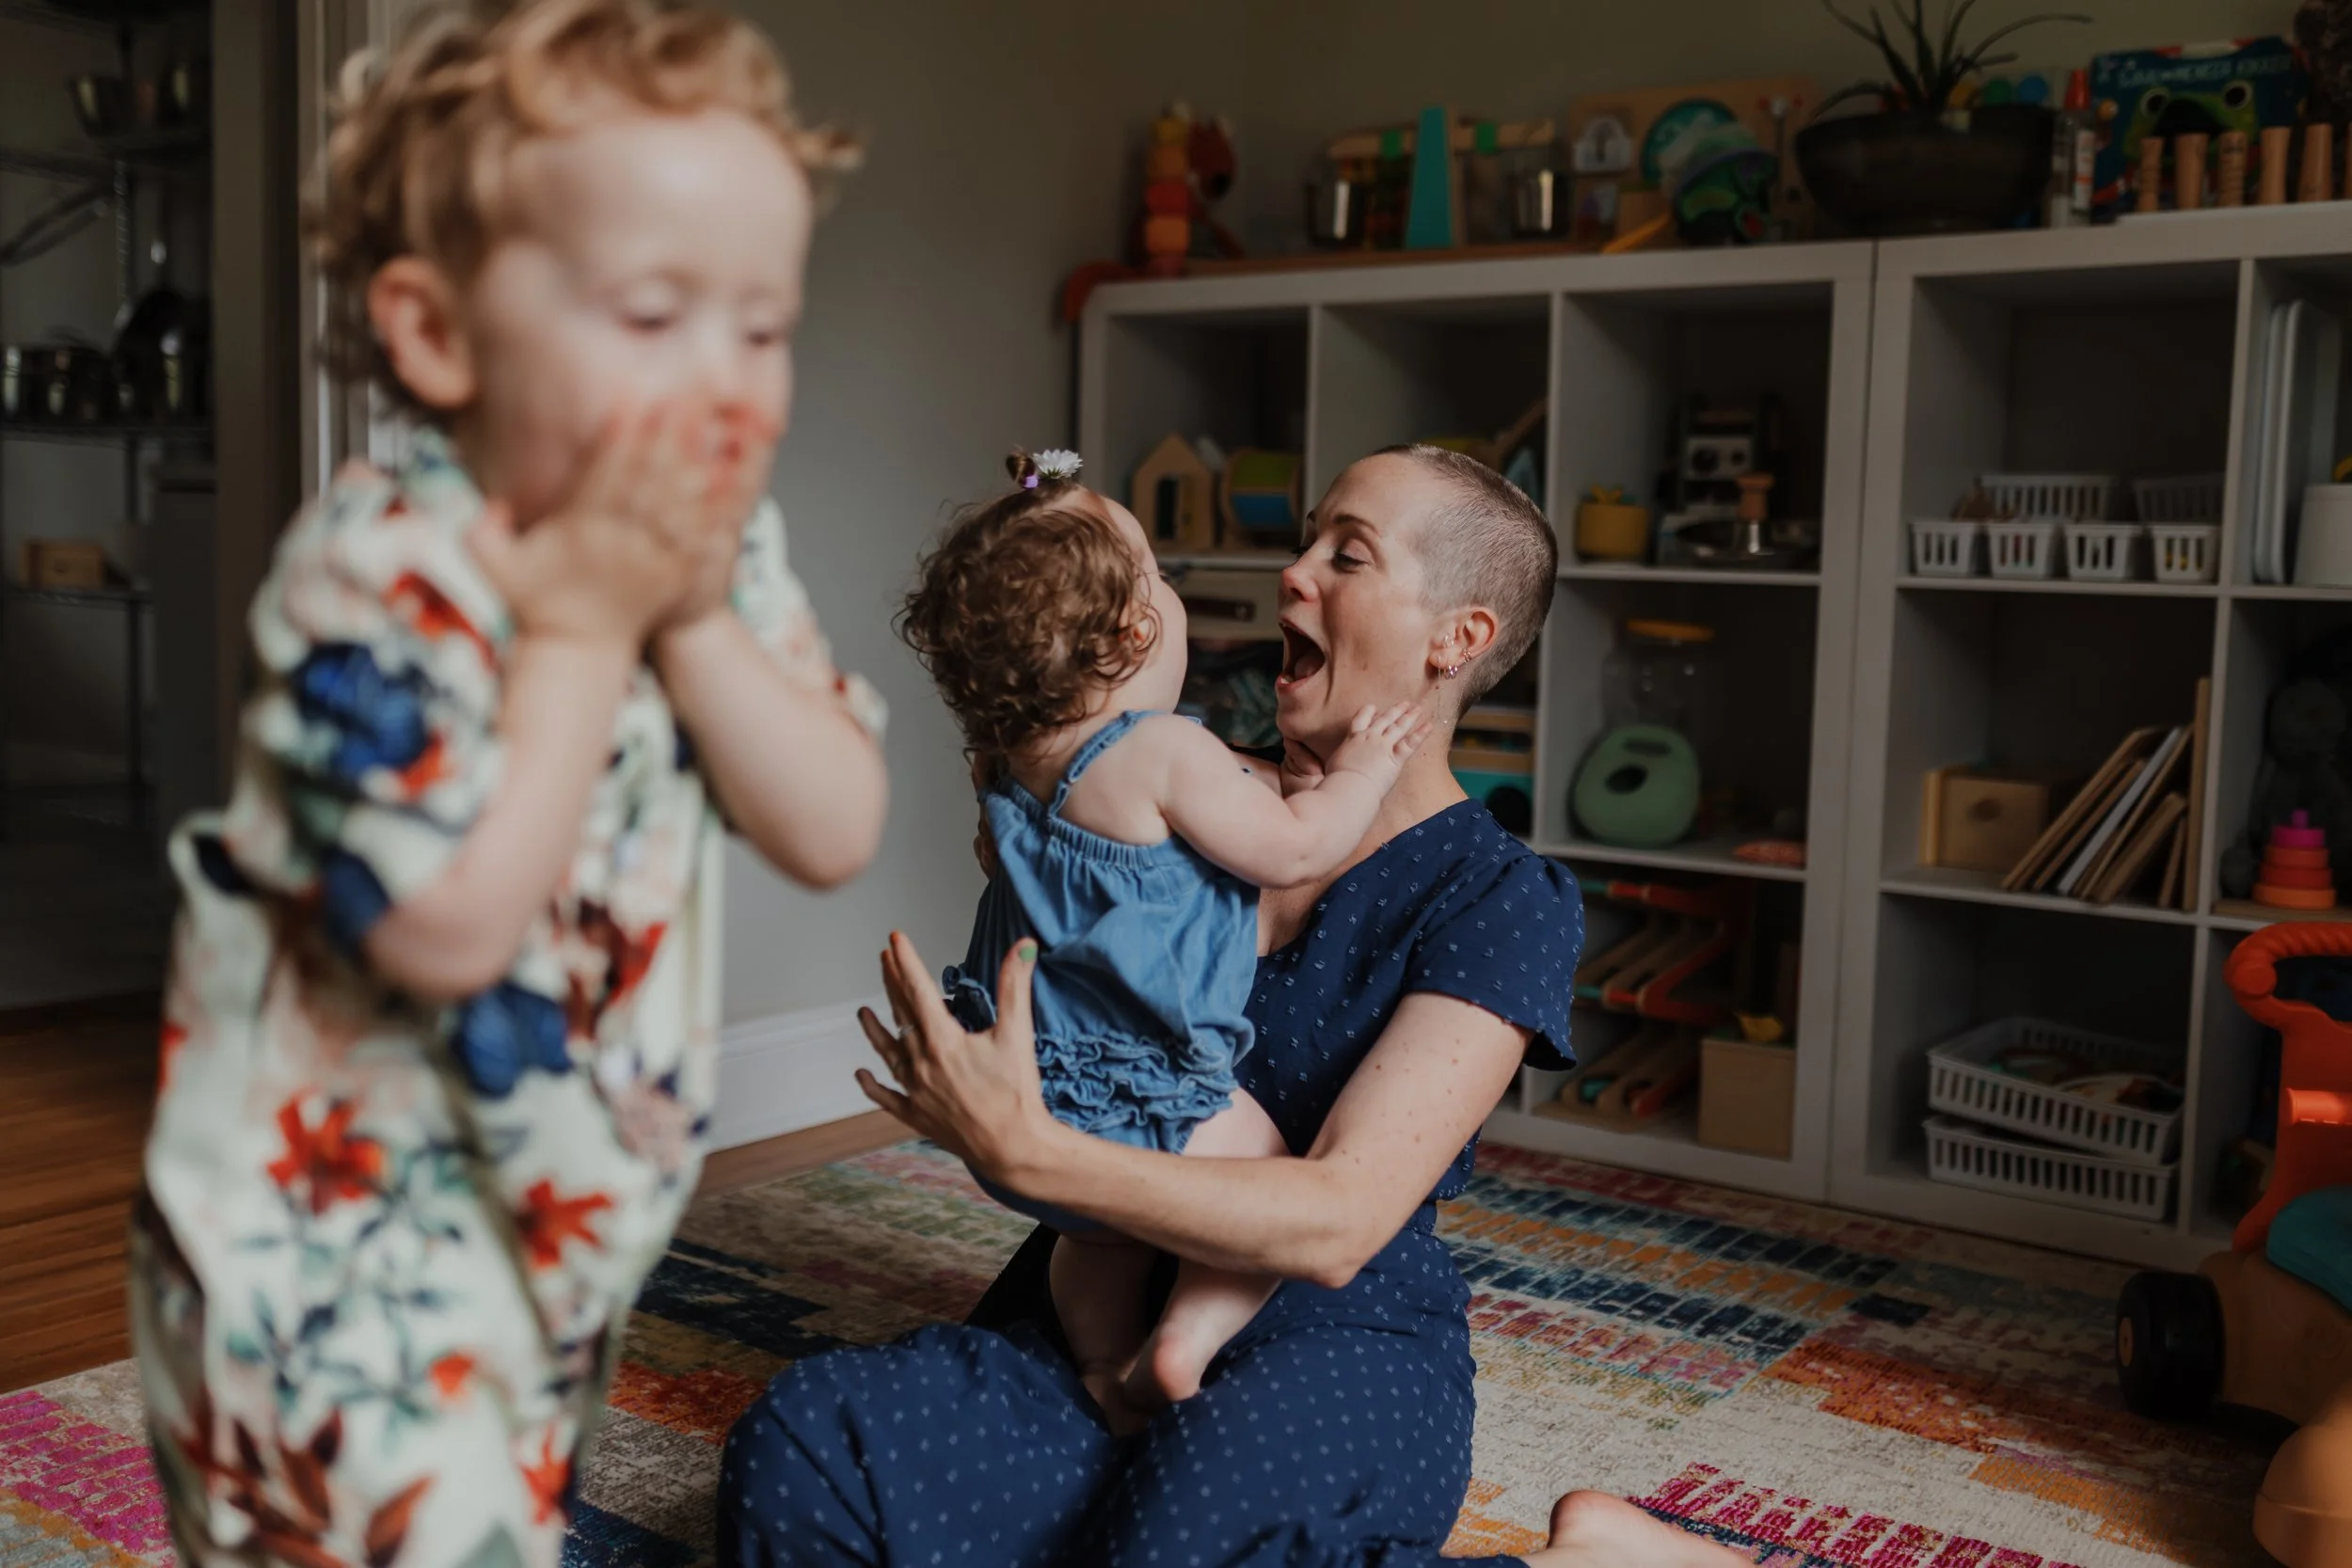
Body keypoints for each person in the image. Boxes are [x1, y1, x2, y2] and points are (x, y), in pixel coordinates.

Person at [132, 2, 884, 1562]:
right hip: (315, 1261)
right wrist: (586, 627)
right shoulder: (382, 574)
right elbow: (443, 924)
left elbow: (835, 821)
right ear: (437, 333)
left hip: (546, 1230)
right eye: (656, 311)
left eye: (762, 325)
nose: (725, 378)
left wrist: (680, 616)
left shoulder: (712, 558)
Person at [720, 446, 1754, 1568]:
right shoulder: (1156, 789)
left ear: (1457, 637)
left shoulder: (1498, 896)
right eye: (1304, 538)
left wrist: (1032, 1152)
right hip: (1098, 1301)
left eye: (1345, 553)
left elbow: (1340, 1217)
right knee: (809, 1447)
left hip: (1332, 1326)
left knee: (1186, 1544)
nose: (1292, 573)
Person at [896, 447, 1428, 1421]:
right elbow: (1294, 848)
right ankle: (1179, 1346)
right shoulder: (1163, 750)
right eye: (1167, 584)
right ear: (1142, 628)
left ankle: (1101, 1364)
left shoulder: (1011, 766)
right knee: (1271, 1179)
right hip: (1145, 1106)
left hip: (1022, 1098)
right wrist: (1361, 774)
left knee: (1096, 1241)